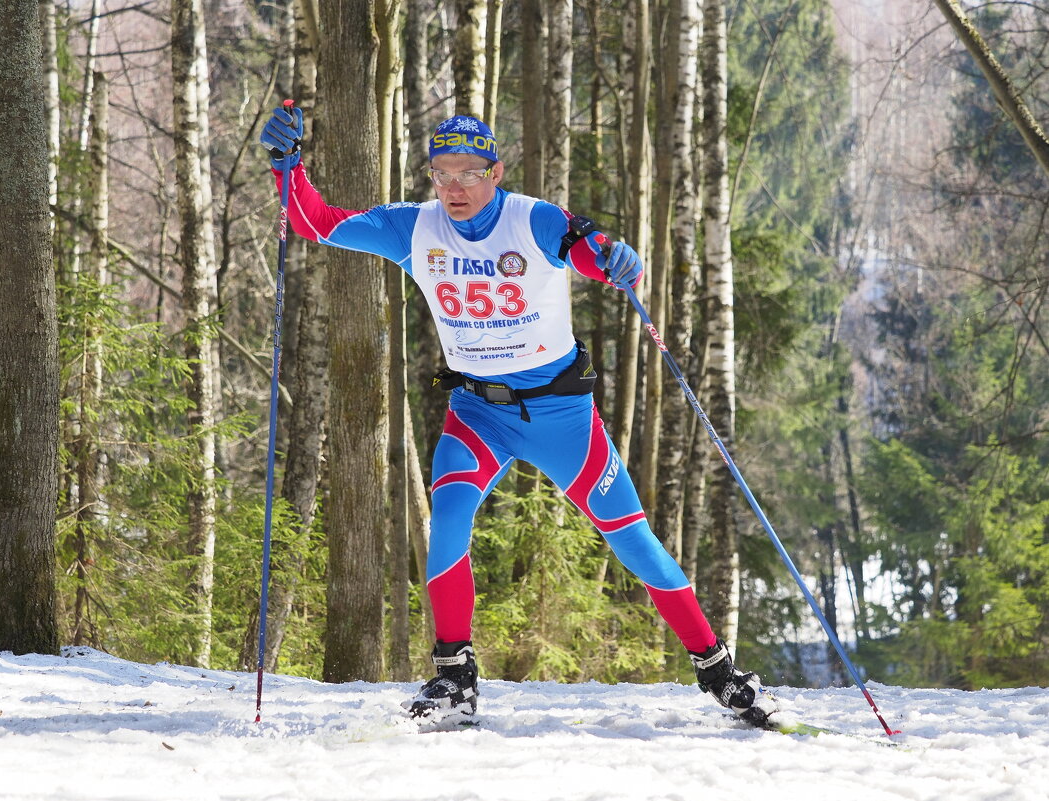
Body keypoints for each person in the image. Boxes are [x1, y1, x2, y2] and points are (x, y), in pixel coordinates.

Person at [260, 107, 778, 727]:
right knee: (447, 520)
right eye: (441, 175)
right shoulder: (413, 229)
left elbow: (587, 247)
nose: (453, 189)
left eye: (468, 174)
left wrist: (616, 260)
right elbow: (313, 222)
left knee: (634, 543)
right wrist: (287, 165)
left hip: (561, 417)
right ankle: (454, 678)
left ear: (495, 171)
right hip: (477, 411)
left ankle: (719, 672)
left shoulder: (530, 218)